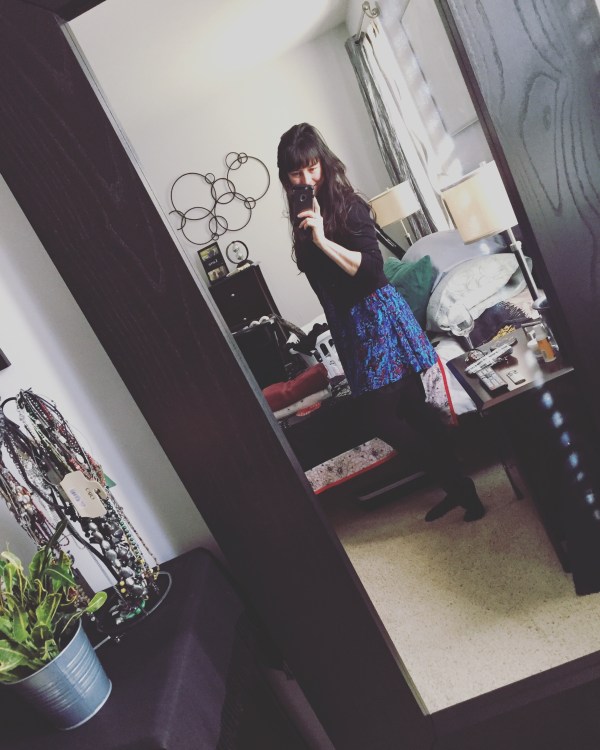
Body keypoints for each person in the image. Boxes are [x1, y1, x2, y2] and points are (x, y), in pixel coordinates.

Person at [276, 122, 485, 522]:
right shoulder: (304, 217)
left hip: (377, 320)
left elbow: (372, 271)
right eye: (296, 173)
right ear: (287, 178)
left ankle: (460, 486)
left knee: (382, 418)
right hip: (350, 329)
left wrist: (322, 239)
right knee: (413, 409)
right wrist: (310, 235)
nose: (306, 179)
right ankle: (458, 488)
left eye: (312, 168)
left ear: (324, 164)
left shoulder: (350, 206)